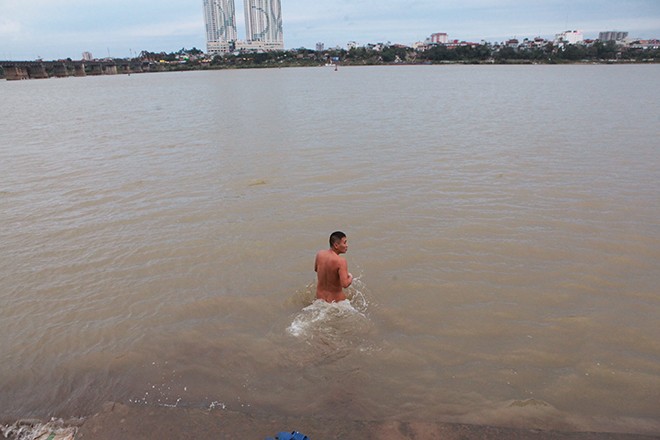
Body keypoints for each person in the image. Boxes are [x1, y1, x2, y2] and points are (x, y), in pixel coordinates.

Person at [314, 231, 353, 303]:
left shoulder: (320, 254)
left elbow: (316, 269)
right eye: (344, 243)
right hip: (337, 302)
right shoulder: (341, 261)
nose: (347, 245)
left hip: (320, 299)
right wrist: (350, 277)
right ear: (336, 245)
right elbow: (345, 284)